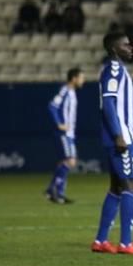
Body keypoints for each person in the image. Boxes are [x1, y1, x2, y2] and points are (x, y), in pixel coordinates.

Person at [91, 32, 133, 256]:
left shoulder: (117, 69)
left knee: (116, 188)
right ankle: (126, 243)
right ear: (114, 49)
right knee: (131, 186)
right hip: (122, 139)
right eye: (125, 44)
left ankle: (101, 240)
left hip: (123, 137)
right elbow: (108, 103)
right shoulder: (113, 69)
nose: (131, 47)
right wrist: (118, 135)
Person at [45, 67, 84, 204]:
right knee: (70, 161)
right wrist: (58, 124)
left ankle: (55, 192)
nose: (82, 80)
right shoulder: (65, 90)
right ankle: (55, 191)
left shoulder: (72, 93)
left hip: (70, 134)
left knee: (64, 162)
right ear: (74, 78)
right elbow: (52, 106)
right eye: (81, 77)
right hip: (64, 133)